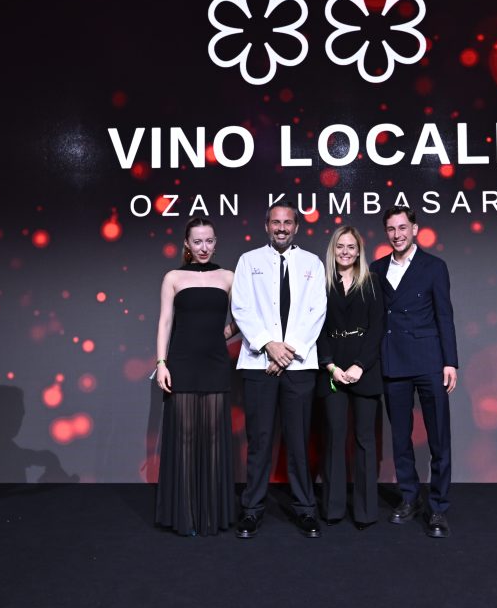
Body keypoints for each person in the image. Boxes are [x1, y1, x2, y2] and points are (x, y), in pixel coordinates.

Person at [231, 200, 326, 538]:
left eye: (287, 223)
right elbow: (241, 308)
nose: (281, 228)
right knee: (259, 441)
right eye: (276, 222)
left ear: (296, 227)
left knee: (298, 441)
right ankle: (252, 510)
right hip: (259, 364)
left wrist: (288, 351)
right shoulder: (248, 261)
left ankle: (305, 509)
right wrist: (268, 345)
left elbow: (317, 310)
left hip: (299, 366)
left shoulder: (313, 263)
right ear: (266, 226)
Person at [370, 206, 459, 538]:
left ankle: (438, 507)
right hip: (393, 361)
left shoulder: (434, 267)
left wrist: (450, 362)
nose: (397, 234)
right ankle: (409, 497)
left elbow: (444, 315)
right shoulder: (376, 268)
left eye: (403, 227)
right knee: (400, 437)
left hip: (429, 361)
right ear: (386, 233)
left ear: (415, 229)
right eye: (392, 229)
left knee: (439, 437)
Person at [153, 218, 236, 536]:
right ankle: (186, 516)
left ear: (216, 243)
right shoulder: (173, 277)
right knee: (185, 438)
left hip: (215, 362)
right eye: (197, 241)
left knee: (214, 439)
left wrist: (221, 335)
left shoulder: (228, 277)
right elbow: (165, 321)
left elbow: (244, 318)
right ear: (187, 244)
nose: (204, 247)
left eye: (209, 241)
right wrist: (162, 363)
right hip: (182, 363)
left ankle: (211, 516)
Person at [316, 226, 384, 530]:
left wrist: (360, 365)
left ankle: (366, 511)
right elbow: (316, 328)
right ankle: (333, 509)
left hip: (364, 369)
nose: (345, 252)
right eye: (340, 246)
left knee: (365, 439)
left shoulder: (372, 282)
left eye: (351, 247)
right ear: (333, 250)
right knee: (334, 436)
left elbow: (377, 328)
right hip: (332, 369)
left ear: (359, 252)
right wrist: (330, 366)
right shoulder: (321, 283)